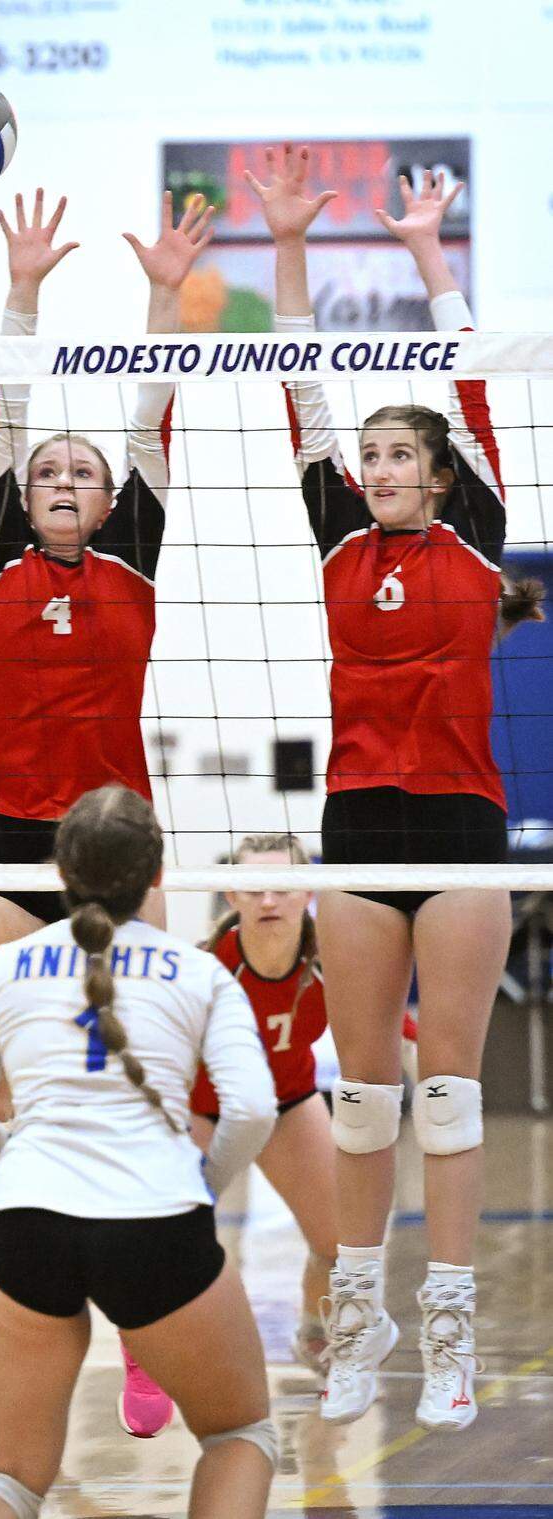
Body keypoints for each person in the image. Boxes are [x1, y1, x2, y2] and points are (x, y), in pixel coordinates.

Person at [249, 144, 544, 1430]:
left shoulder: (474, 530)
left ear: (437, 470)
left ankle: (453, 1331)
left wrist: (432, 255)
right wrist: (291, 250)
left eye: (396, 452)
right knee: (363, 1096)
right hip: (358, 823)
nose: (374, 464)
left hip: (465, 825)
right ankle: (356, 1332)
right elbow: (297, 389)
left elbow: (476, 381)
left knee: (452, 1092)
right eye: (365, 453)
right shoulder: (337, 531)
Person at [0, 187, 215, 1436]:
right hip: (7, 842)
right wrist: (24, 290)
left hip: (120, 844)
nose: (58, 475)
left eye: (79, 472)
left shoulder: (133, 556)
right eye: (47, 467)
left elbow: (150, 416)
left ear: (106, 504)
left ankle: (150, 1336)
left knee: (143, 1083)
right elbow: (4, 409)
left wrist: (161, 296)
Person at [0, 785, 278, 1519]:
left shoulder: (6, 966)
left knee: (7, 1477)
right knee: (239, 1434)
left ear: (59, 872)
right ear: (157, 878)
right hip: (156, 1219)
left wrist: (27, 1169)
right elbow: (250, 1108)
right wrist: (201, 1182)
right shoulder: (200, 971)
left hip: (27, 1224)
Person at [190, 833, 335, 1374]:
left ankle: (315, 1333)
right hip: (204, 1108)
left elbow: (392, 1025)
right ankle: (169, 1351)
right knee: (170, 1237)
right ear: (232, 896)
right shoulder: (205, 968)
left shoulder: (333, 964)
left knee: (337, 1238)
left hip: (287, 1103)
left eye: (283, 886)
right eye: (254, 888)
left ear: (308, 893)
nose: (269, 900)